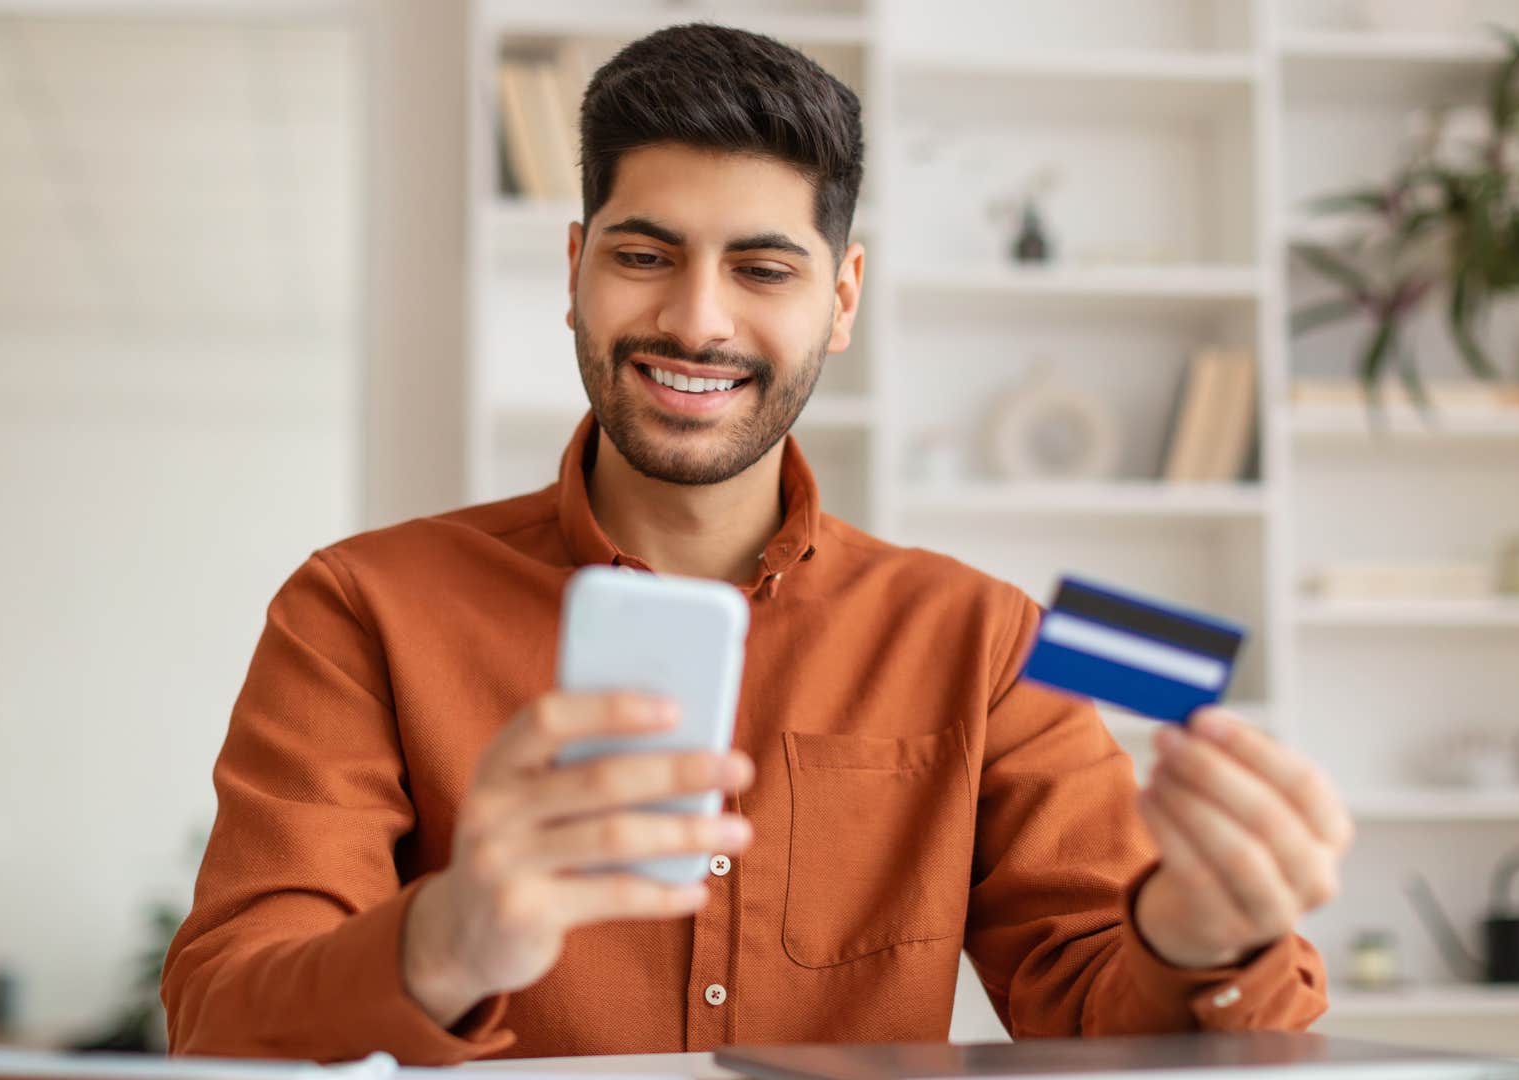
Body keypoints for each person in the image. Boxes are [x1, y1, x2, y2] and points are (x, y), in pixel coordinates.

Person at [161, 22, 1350, 1067]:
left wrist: (1201, 936)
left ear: (841, 300)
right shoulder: (359, 606)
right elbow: (221, 1018)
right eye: (644, 254)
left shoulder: (985, 640)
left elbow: (1118, 1020)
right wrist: (448, 938)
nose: (696, 318)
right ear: (573, 270)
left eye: (763, 267)